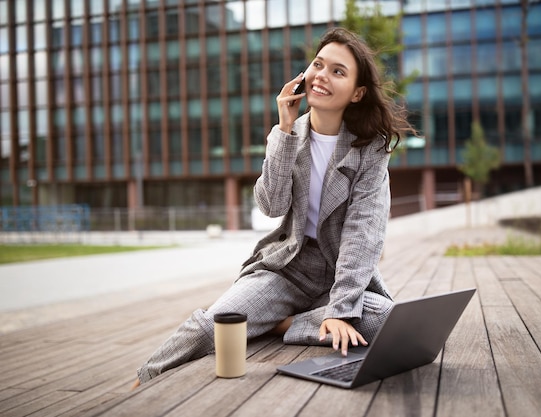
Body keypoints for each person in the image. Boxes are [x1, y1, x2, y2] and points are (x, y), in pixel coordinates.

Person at [131, 27, 417, 388]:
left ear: (358, 93)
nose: (322, 76)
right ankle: (146, 376)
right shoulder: (286, 135)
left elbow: (364, 233)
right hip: (287, 268)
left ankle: (286, 323)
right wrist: (283, 130)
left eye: (338, 71)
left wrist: (342, 308)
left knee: (388, 320)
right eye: (318, 64)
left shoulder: (371, 150)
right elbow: (271, 205)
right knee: (218, 323)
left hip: (337, 278)